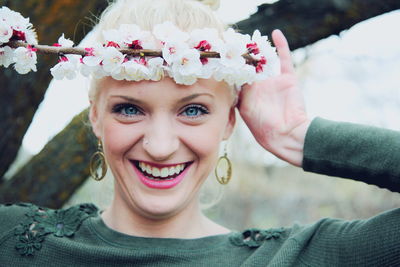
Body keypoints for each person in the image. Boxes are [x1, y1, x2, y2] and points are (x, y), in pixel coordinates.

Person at [1, 0, 399, 265]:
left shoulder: (298, 257)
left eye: (193, 110)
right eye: (128, 109)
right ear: (95, 117)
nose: (159, 146)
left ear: (229, 120)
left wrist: (297, 135)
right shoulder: (13, 240)